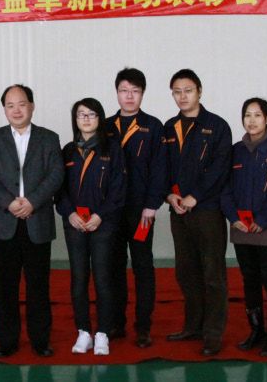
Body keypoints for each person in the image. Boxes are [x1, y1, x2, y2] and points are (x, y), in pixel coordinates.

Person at [0, 84, 64, 358]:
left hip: (37, 221)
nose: (16, 110)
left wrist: (32, 202)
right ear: (4, 109)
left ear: (32, 106)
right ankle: (7, 341)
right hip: (5, 222)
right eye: (10, 105)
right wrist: (9, 202)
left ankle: (40, 340)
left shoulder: (49, 138)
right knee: (5, 287)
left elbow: (56, 174)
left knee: (38, 285)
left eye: (22, 104)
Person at [162, 69, 232, 356]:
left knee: (212, 273)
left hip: (207, 211)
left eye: (188, 90)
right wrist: (169, 195)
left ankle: (213, 334)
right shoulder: (169, 127)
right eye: (177, 91)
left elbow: (220, 168)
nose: (182, 96)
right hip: (178, 211)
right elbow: (162, 168)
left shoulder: (217, 126)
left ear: (199, 92)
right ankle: (193, 326)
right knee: (186, 272)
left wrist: (196, 196)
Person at [221, 98, 267, 357]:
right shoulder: (235, 151)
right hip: (241, 227)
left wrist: (263, 219)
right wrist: (232, 217)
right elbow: (225, 188)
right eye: (247, 115)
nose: (252, 121)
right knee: (249, 279)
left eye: (257, 115)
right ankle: (256, 330)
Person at [103, 68, 167, 348]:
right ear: (116, 93)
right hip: (111, 213)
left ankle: (143, 327)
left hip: (141, 212)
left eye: (135, 91)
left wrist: (152, 206)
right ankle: (116, 323)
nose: (129, 96)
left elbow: (160, 169)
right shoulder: (104, 126)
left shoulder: (153, 126)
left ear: (142, 94)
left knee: (142, 266)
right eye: (124, 90)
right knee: (113, 266)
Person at [58, 98, 125, 356]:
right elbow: (59, 189)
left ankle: (103, 333)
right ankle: (84, 331)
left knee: (103, 277)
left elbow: (119, 188)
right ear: (75, 120)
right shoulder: (67, 151)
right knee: (78, 278)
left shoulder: (113, 150)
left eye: (91, 114)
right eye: (81, 115)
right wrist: (70, 213)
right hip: (74, 223)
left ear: (100, 118)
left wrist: (100, 215)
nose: (86, 119)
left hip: (103, 223)